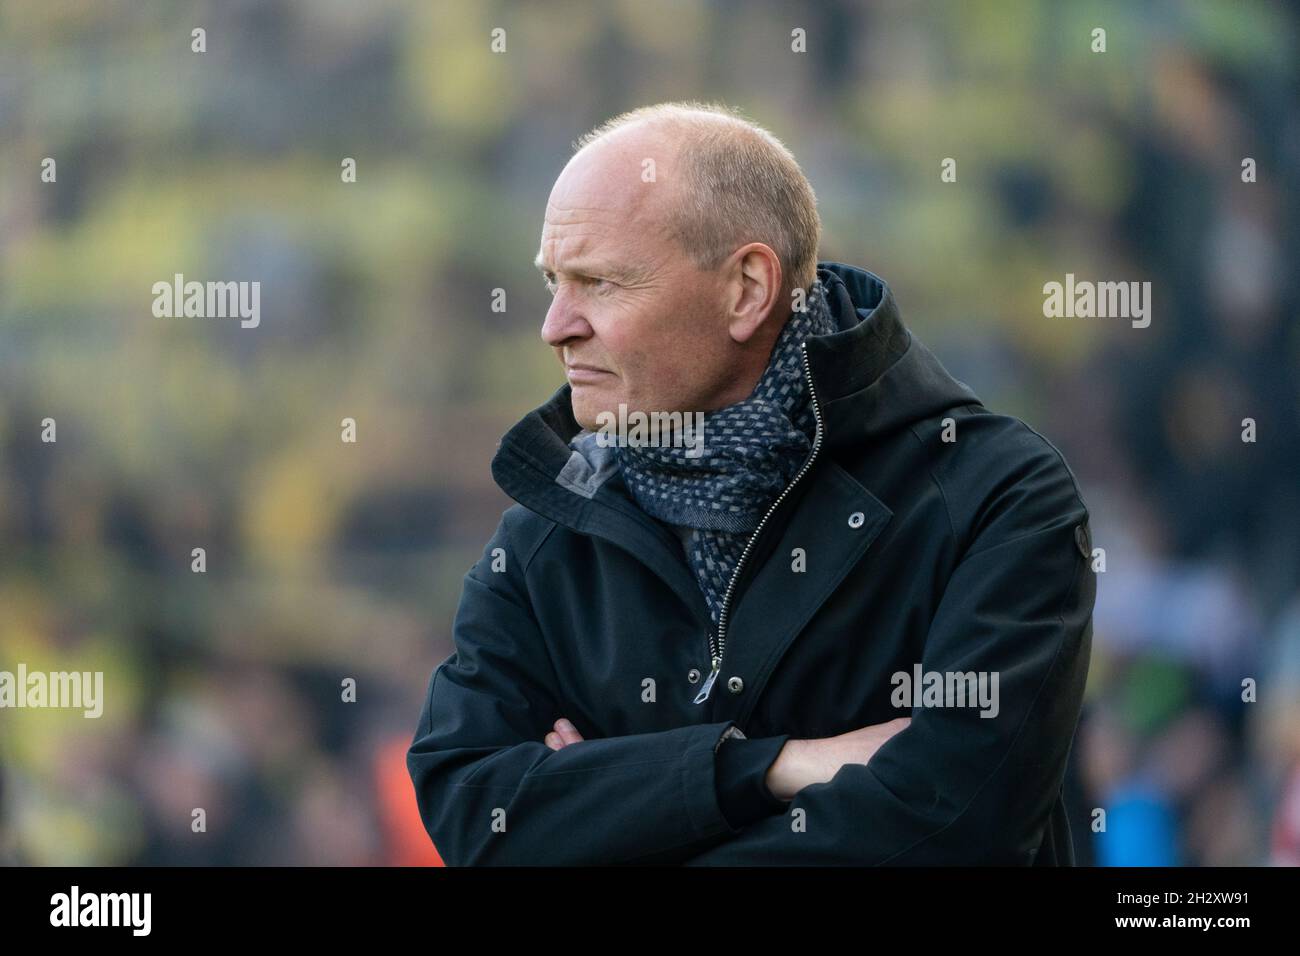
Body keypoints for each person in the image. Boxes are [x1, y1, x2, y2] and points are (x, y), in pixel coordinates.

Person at [407, 101, 1095, 865]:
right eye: (552, 282)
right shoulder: (545, 535)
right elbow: (473, 811)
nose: (556, 324)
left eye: (599, 283)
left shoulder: (996, 498)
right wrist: (772, 766)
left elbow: (950, 831)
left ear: (747, 289)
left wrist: (609, 808)